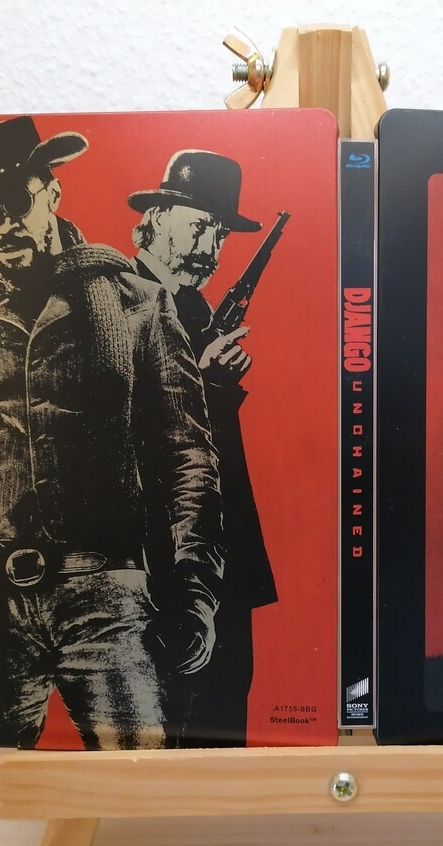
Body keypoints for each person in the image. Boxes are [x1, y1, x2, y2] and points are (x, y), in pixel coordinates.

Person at [0, 117, 224, 749]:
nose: (2, 225)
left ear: (52, 193)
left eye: (15, 202)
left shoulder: (136, 304)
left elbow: (187, 459)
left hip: (109, 595)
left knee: (140, 778)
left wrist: (196, 590)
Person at [128, 149, 278, 746]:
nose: (209, 248)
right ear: (155, 220)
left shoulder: (192, 304)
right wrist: (209, 383)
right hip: (161, 558)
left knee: (226, 713)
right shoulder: (120, 301)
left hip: (223, 553)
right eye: (198, 227)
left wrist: (217, 388)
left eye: (219, 234)